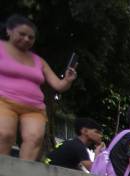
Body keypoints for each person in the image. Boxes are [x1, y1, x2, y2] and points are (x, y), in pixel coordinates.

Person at [0, 15, 76, 160]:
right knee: (4, 134)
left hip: (34, 108)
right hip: (4, 101)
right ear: (9, 31)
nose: (27, 39)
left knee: (34, 139)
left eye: (31, 37)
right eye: (22, 34)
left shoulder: (38, 60)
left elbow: (58, 85)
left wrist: (68, 79)